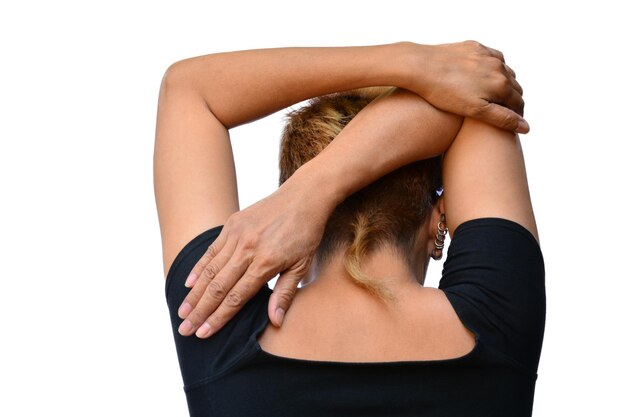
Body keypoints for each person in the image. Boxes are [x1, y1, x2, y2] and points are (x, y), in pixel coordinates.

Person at [154, 41, 545, 416]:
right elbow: (484, 96)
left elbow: (190, 89)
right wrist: (317, 189)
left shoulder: (212, 314)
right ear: (438, 221)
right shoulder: (499, 317)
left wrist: (405, 61)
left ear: (289, 235)